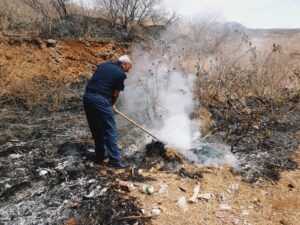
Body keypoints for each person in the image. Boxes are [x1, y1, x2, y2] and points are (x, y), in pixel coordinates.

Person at [83, 55, 132, 168]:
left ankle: (100, 157)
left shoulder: (104, 65)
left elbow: (101, 81)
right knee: (110, 130)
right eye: (128, 68)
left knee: (96, 128)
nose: (128, 71)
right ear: (123, 64)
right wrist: (111, 104)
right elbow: (116, 93)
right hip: (100, 99)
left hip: (87, 97)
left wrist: (108, 103)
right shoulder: (121, 74)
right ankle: (115, 162)